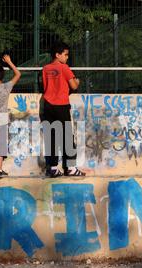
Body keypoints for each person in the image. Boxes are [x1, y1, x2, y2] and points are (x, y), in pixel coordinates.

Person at [41, 42, 86, 178]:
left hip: (48, 105)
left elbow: (45, 86)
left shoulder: (45, 68)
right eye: (65, 55)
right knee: (67, 136)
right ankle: (71, 168)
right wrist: (77, 81)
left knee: (52, 137)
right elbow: (73, 86)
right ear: (57, 55)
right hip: (61, 105)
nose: (67, 57)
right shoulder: (64, 68)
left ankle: (53, 168)